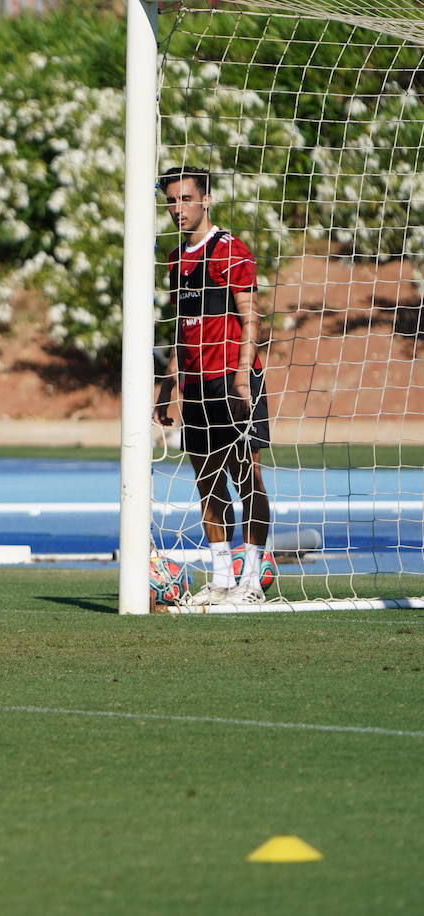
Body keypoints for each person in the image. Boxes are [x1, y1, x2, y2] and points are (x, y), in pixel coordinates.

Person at [154, 166, 271, 605]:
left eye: (185, 199)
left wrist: (242, 376)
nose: (177, 209)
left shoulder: (230, 250)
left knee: (247, 476)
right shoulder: (175, 259)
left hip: (233, 380)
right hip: (196, 385)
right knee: (206, 479)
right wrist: (167, 388)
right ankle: (222, 579)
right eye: (171, 201)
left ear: (206, 200)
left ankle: (251, 580)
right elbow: (180, 329)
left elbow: (251, 317)